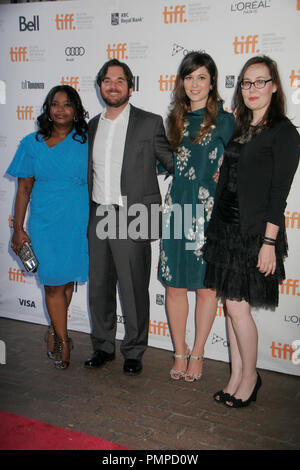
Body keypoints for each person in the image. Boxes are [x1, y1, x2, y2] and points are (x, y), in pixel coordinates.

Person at [202, 55, 300, 407]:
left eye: (260, 81)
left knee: (239, 308)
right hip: (225, 228)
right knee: (230, 307)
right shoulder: (242, 128)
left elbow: (278, 194)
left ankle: (251, 377)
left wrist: (269, 242)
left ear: (274, 86)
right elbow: (239, 175)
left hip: (255, 231)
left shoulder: (284, 133)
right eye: (246, 82)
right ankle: (235, 375)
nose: (252, 88)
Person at [84, 59, 174, 376]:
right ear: (99, 87)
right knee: (99, 287)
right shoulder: (92, 126)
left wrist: (206, 168)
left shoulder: (150, 123)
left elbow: (171, 161)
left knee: (134, 288)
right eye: (107, 80)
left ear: (130, 87)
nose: (112, 85)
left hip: (134, 214)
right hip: (99, 213)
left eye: (119, 80)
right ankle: (103, 347)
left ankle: (134, 351)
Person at [158, 51, 235, 381]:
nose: (194, 84)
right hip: (178, 209)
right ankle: (179, 350)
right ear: (181, 81)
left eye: (201, 77)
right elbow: (165, 165)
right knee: (175, 287)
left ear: (212, 81)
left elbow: (237, 168)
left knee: (206, 288)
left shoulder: (226, 120)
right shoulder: (173, 119)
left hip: (209, 213)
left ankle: (199, 352)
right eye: (189, 77)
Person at [7, 85, 89, 369]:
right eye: (55, 104)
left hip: (78, 221)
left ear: (76, 110)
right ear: (48, 109)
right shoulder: (32, 143)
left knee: (67, 282)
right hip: (45, 222)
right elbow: (24, 190)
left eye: (68, 104)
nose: (61, 109)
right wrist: (18, 228)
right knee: (53, 284)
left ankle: (55, 330)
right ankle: (65, 342)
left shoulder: (87, 140)